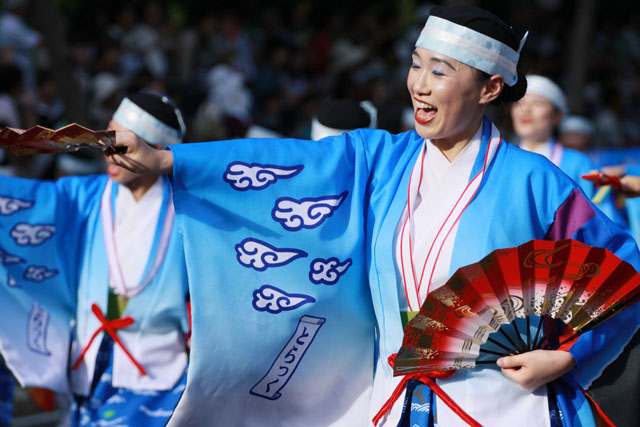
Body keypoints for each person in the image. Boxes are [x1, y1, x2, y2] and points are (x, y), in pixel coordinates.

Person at [80, 6, 640, 427]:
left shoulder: (535, 181)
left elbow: (624, 277)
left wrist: (566, 355)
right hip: (394, 400)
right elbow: (296, 162)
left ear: (490, 87)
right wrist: (170, 159)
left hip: (502, 405)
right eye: (416, 65)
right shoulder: (382, 159)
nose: (418, 84)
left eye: (440, 72)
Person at [0, 91, 190, 426]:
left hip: (161, 373)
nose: (108, 150)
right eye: (106, 136)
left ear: (156, 152)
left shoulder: (191, 214)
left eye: (122, 143)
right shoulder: (84, 197)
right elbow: (27, 202)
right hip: (91, 364)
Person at [511, 74, 628, 229]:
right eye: (519, 102)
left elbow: (603, 224)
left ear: (557, 116)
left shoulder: (579, 163)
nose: (525, 110)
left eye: (537, 102)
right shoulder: (498, 159)